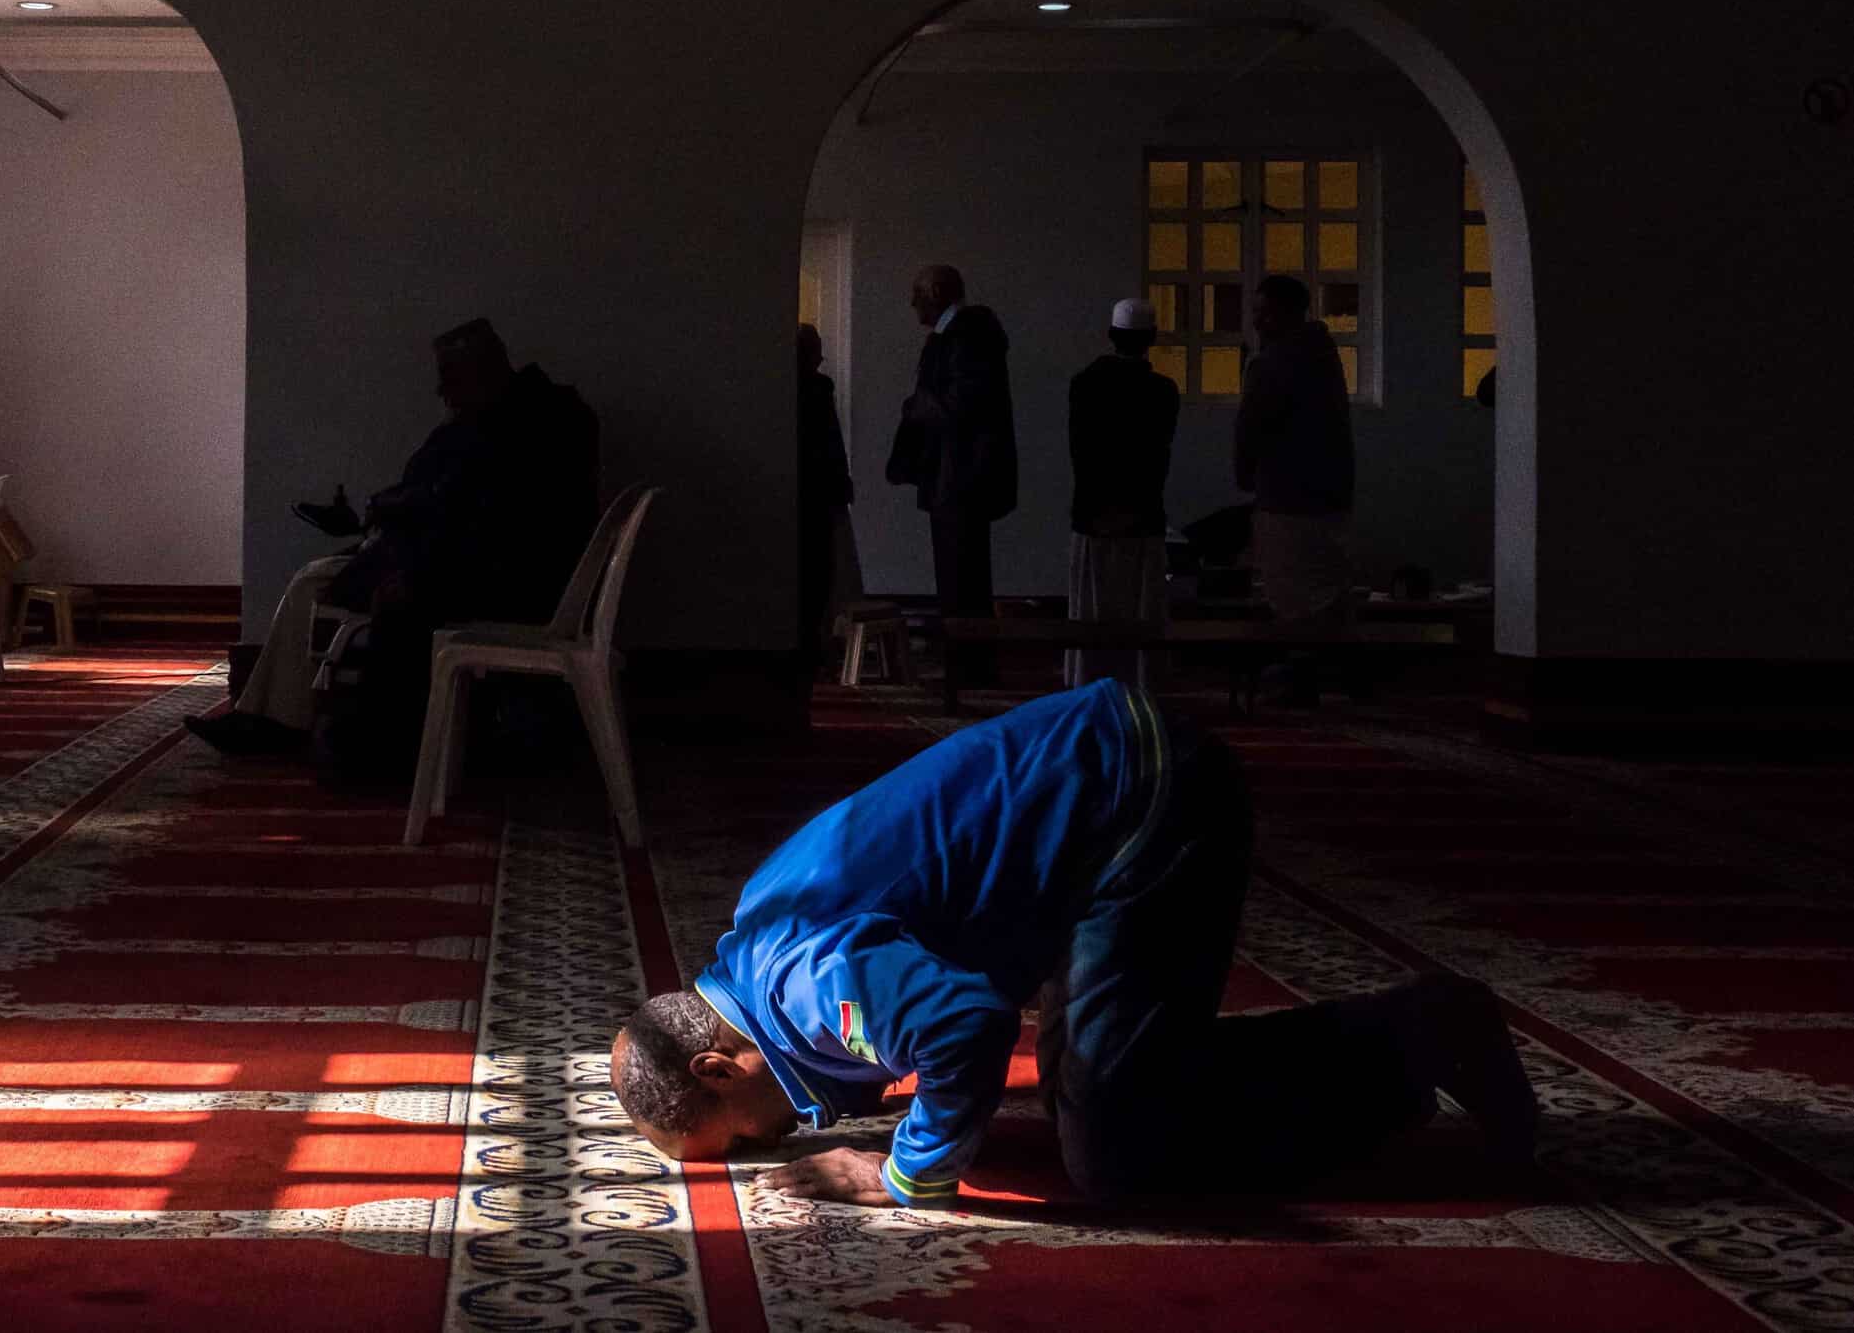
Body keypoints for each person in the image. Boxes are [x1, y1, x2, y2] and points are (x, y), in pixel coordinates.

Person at [607, 679, 1538, 1208]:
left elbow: (963, 1024)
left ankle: (1422, 1032)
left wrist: (903, 1173)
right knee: (1089, 1096)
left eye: (744, 1140)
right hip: (1100, 790)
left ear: (719, 1064)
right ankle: (1385, 1056)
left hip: (1142, 800)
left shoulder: (806, 986)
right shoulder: (759, 935)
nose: (781, 1139)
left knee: (1116, 1157)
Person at [188, 319, 598, 769]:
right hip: (455, 561)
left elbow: (492, 527)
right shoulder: (512, 421)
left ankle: (280, 724)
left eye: (449, 379)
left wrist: (414, 563)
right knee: (312, 580)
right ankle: (267, 718)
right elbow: (448, 498)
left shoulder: (521, 430)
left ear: (480, 372)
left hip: (490, 581)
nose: (441, 392)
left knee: (313, 583)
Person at [886, 264, 1016, 685]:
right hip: (961, 476)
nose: (912, 303)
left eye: (917, 294)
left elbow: (958, 405)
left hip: (957, 477)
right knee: (965, 575)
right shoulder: (969, 335)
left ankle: (968, 667)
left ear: (937, 293)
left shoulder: (963, 337)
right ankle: (971, 664)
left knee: (959, 577)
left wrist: (916, 405)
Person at [1234, 274, 1356, 705]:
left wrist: (1244, 472)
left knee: (1290, 594)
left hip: (1288, 494)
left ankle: (1299, 678)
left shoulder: (1273, 364)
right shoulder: (1323, 354)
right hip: (1331, 491)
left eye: (1265, 313)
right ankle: (1321, 674)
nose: (1258, 321)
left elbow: (1251, 427)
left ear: (1286, 313)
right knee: (1324, 589)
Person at [1065, 297, 1179, 691]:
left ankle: (1089, 683)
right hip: (1141, 515)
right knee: (1139, 606)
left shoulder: (1085, 384)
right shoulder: (1163, 391)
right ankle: (1140, 685)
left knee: (1094, 610)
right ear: (1152, 338)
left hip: (1094, 516)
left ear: (1111, 335)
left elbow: (1082, 454)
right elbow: (1155, 458)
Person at [796, 323, 855, 661]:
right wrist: (841, 482)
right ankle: (816, 640)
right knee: (820, 572)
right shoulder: (819, 389)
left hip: (800, 490)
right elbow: (831, 442)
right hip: (820, 492)